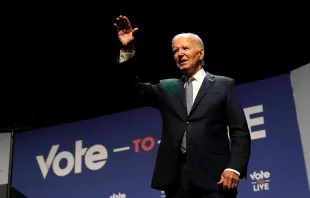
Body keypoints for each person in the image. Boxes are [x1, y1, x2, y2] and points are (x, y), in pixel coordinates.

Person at [114, 15, 251, 198]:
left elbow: (239, 131)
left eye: (185, 48)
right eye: (175, 50)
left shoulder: (223, 85)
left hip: (215, 178)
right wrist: (127, 49)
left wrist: (234, 168)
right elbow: (132, 90)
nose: (180, 53)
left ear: (200, 54)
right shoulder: (167, 87)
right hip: (176, 181)